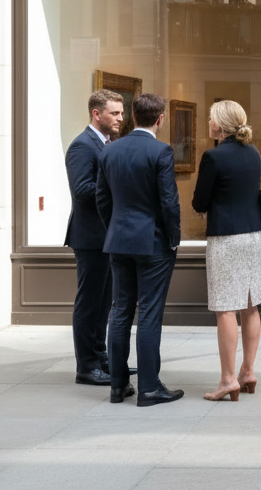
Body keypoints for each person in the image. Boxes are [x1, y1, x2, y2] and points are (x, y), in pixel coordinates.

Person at [96, 93, 184, 407]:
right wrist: (174, 238)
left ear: (133, 115)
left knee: (119, 312)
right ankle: (149, 387)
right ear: (159, 119)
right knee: (148, 313)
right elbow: (168, 202)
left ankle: (118, 386)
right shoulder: (161, 151)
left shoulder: (110, 150)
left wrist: (114, 230)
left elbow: (101, 200)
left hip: (119, 241)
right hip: (153, 243)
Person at [192, 100, 261, 402]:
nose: (208, 123)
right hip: (254, 236)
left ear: (219, 125)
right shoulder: (253, 153)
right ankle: (248, 372)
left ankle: (227, 379)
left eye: (210, 119)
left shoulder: (213, 157)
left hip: (226, 238)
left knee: (225, 308)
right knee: (250, 304)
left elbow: (199, 202)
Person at [64, 89, 131, 386]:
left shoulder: (108, 143)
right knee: (89, 304)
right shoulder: (82, 146)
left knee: (105, 304)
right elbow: (81, 190)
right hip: (90, 237)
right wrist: (120, 188)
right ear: (96, 114)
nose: (120, 118)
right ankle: (87, 367)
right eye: (114, 113)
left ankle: (102, 359)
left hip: (106, 236)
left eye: (121, 112)